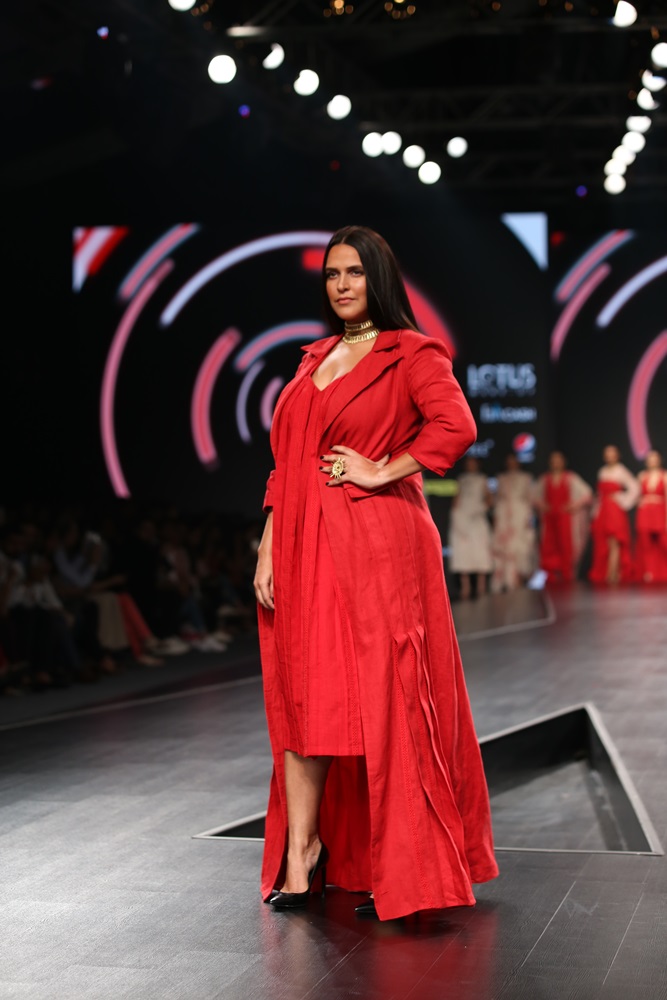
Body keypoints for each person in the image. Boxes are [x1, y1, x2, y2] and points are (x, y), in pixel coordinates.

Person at [253, 224, 498, 922]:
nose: (340, 285)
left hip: (377, 542)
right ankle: (303, 857)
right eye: (331, 274)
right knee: (303, 697)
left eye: (354, 273)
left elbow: (453, 428)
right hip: (301, 544)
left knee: (387, 699)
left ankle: (410, 870)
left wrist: (381, 467)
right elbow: (286, 463)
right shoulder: (311, 359)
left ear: (379, 279)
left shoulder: (412, 353)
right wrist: (269, 542)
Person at [533, 451, 593, 583]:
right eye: (553, 460)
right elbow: (532, 497)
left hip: (565, 519)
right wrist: (542, 506)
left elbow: (587, 494)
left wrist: (574, 506)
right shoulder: (545, 479)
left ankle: (567, 580)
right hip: (549, 520)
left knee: (566, 548)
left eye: (558, 460)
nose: (556, 462)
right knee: (548, 548)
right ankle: (550, 580)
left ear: (563, 462)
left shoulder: (570, 478)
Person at [588, 444, 640, 585]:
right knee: (604, 542)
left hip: (615, 510)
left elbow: (635, 487)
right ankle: (609, 573)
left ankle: (613, 573)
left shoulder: (621, 471)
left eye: (612, 453)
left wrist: (621, 499)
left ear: (618, 455)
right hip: (603, 510)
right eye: (607, 453)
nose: (610, 456)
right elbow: (599, 494)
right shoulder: (602, 471)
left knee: (615, 541)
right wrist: (595, 511)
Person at [490, 453, 537, 593]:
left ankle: (519, 581)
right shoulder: (501, 478)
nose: (511, 463)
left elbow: (530, 499)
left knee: (520, 547)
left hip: (519, 515)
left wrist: (528, 517)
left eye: (514, 461)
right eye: (509, 461)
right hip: (503, 515)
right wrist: (496, 518)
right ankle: (504, 581)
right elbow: (497, 499)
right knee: (504, 547)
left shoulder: (526, 477)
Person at [448, 455, 493, 599]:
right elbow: (457, 498)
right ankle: (465, 587)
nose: (471, 465)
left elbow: (489, 499)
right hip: (463, 516)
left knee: (480, 551)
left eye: (473, 463)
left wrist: (480, 508)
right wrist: (456, 514)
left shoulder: (482, 479)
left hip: (476, 518)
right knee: (463, 550)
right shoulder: (461, 479)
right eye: (469, 463)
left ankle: (481, 587)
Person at [633, 449, 667, 584]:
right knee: (645, 543)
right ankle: (649, 572)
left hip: (659, 511)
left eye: (654, 457)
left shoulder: (664, 476)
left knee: (663, 541)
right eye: (649, 458)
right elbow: (636, 495)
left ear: (659, 459)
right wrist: (640, 501)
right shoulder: (642, 476)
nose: (652, 460)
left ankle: (662, 571)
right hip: (645, 512)